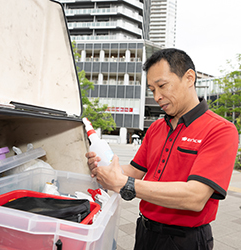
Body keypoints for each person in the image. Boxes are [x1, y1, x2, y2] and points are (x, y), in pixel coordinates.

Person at [85, 48, 239, 250]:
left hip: (186, 240)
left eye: (162, 86)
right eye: (152, 90)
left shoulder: (220, 130)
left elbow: (195, 197)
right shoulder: (157, 127)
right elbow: (135, 171)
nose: (157, 96)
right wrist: (105, 170)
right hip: (145, 231)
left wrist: (125, 184)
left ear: (189, 78)